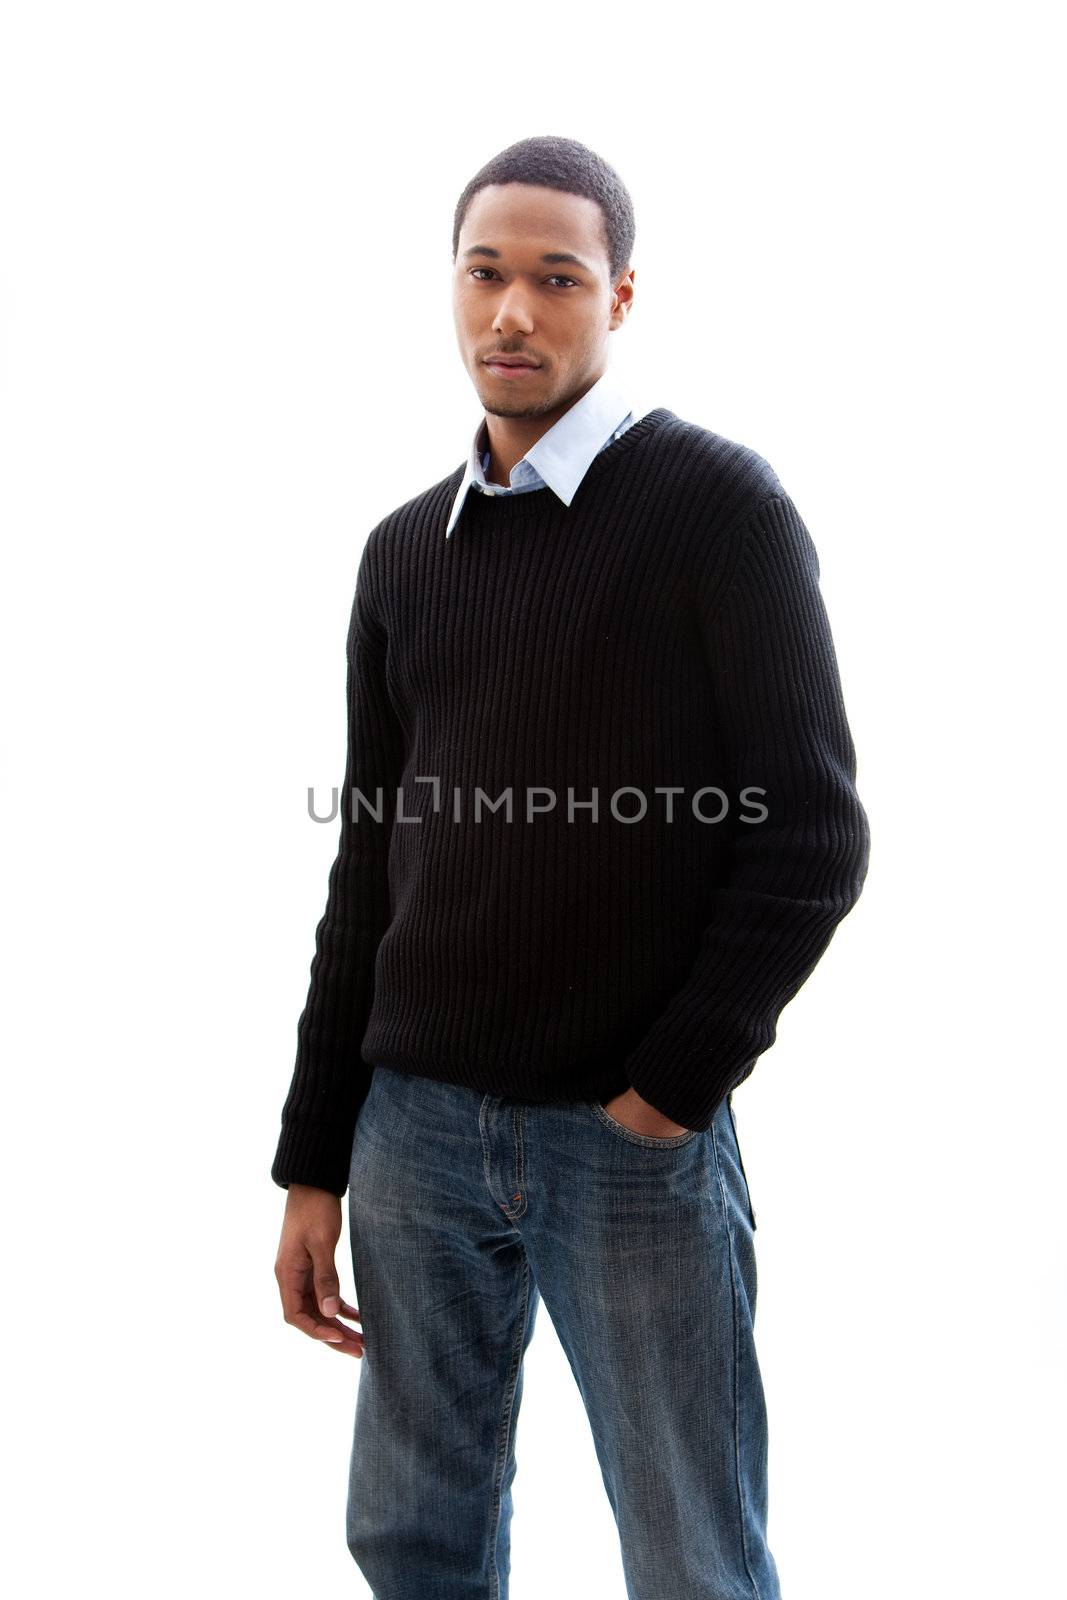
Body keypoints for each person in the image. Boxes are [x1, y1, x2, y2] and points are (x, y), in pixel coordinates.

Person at [271, 133, 870, 1600]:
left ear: (621, 298)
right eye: (487, 274)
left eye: (557, 278)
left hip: (629, 1148)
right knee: (414, 1539)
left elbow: (809, 833)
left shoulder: (716, 510)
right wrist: (313, 1155)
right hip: (411, 1136)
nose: (515, 314)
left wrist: (671, 1089)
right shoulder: (406, 553)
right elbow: (371, 866)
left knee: (688, 1555)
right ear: (452, 288)